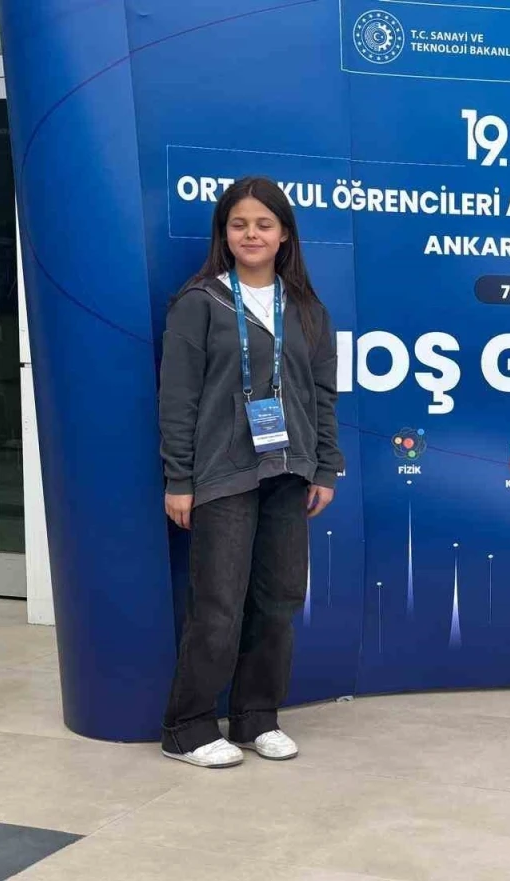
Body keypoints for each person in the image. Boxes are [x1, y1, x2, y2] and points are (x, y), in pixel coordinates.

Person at [157, 176, 343, 768]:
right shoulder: (200, 303)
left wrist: (325, 466)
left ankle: (256, 718)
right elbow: (178, 399)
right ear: (225, 234)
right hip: (222, 475)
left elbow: (322, 395)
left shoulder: (307, 310)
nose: (251, 234)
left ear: (284, 234)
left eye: (264, 224)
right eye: (239, 224)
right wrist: (179, 479)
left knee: (278, 600)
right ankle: (186, 728)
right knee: (218, 604)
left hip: (291, 473)